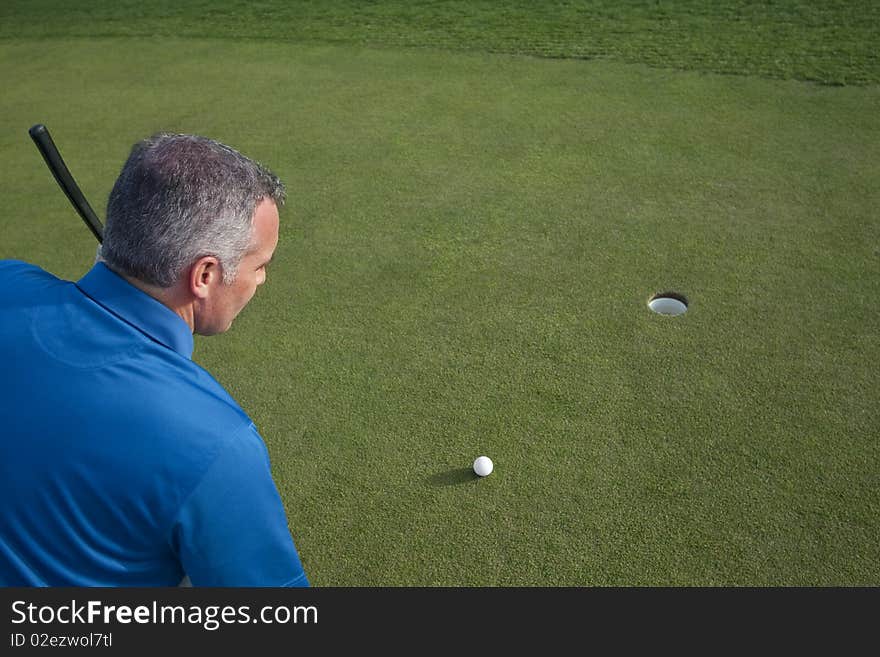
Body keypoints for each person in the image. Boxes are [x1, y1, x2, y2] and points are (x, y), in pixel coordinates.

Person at [0, 133, 309, 586]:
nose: (261, 280)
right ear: (204, 275)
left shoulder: (9, 282)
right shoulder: (218, 443)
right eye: (260, 264)